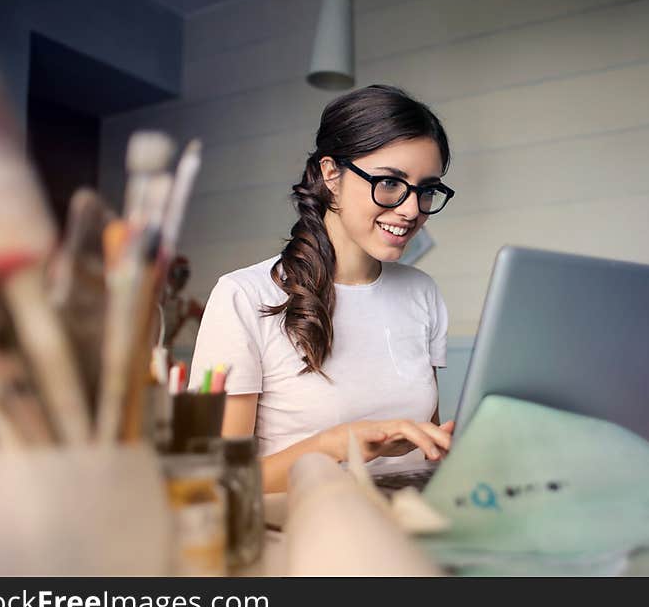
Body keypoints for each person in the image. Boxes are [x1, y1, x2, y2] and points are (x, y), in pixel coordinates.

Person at [189, 85, 456, 492]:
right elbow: (218, 482)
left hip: (411, 520)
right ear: (332, 175)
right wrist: (334, 446)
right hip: (306, 528)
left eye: (427, 189)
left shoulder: (422, 292)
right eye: (389, 183)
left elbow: (428, 443)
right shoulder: (243, 296)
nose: (411, 209)